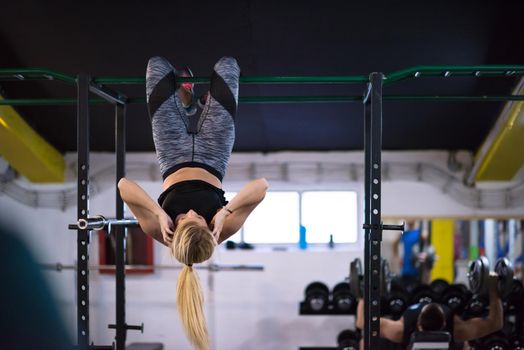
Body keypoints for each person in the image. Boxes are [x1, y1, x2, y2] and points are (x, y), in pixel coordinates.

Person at [118, 56, 268, 350]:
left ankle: (188, 104)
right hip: (214, 151)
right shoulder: (221, 229)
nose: (188, 212)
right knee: (227, 65)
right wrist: (225, 212)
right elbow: (262, 186)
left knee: (156, 66)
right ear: (208, 228)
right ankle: (192, 103)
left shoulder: (159, 230)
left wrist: (159, 213)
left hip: (171, 152)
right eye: (197, 217)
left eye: (182, 218)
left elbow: (123, 185)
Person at [355, 272, 503, 350]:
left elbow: (362, 322)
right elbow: (495, 323)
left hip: (436, 342)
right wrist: (494, 291)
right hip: (406, 345)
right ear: (444, 323)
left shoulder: (399, 330)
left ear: (419, 324)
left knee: (464, 346)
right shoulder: (457, 329)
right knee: (464, 343)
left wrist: (363, 294)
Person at [392, 220, 431, 285]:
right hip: (406, 269)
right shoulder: (404, 234)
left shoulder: (420, 233)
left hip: (417, 269)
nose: (409, 220)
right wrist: (396, 257)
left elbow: (426, 239)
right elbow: (394, 243)